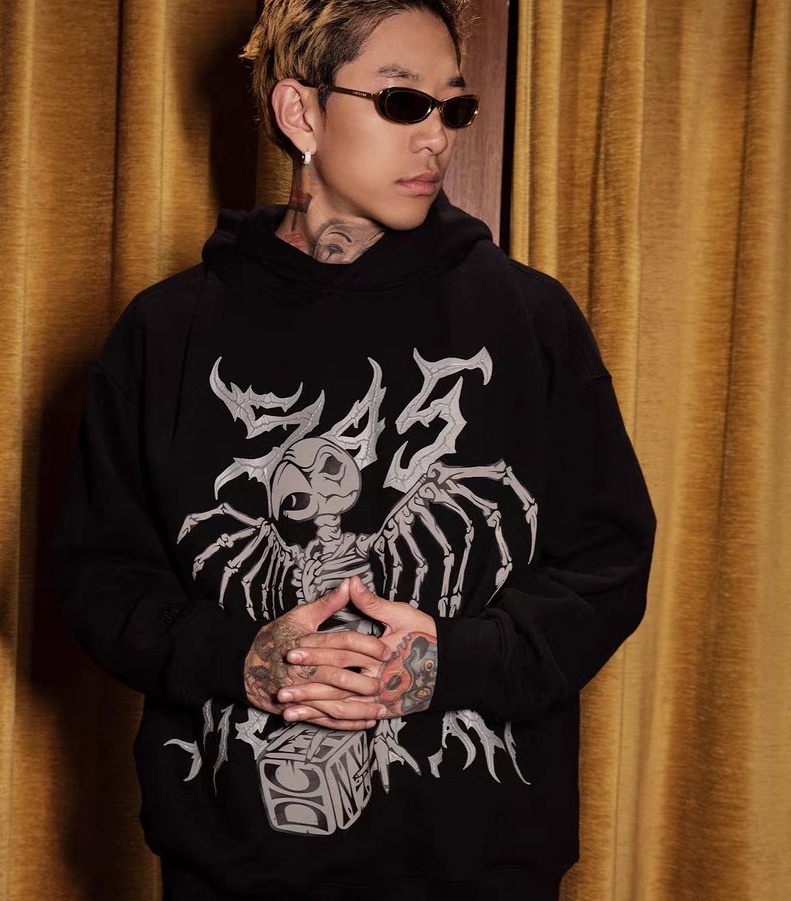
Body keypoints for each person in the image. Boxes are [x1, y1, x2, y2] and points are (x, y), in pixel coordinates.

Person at [52, 0, 657, 898]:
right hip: (233, 865)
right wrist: (239, 658)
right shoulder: (164, 334)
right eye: (402, 102)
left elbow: (608, 558)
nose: (436, 137)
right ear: (300, 112)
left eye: (453, 107)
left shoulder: (530, 319)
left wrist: (452, 663)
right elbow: (99, 575)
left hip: (480, 864)